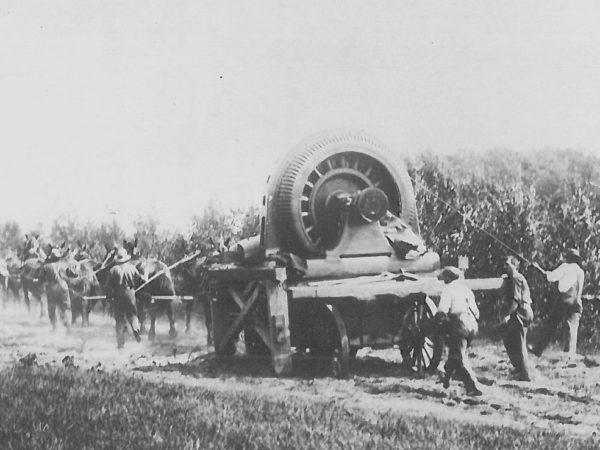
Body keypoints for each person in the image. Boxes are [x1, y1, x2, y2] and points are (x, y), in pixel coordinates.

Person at [436, 266, 482, 396]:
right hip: (472, 324)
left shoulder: (448, 289)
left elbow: (442, 310)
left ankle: (472, 387)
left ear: (448, 278)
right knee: (456, 353)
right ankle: (446, 376)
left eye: (444, 277)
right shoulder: (466, 289)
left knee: (460, 358)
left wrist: (438, 324)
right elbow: (477, 312)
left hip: (459, 325)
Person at [530, 248, 585, 357]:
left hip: (564, 300)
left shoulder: (565, 267)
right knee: (572, 328)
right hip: (577, 302)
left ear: (568, 258)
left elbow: (550, 277)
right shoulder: (581, 271)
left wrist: (538, 268)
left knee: (550, 324)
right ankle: (570, 354)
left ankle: (538, 350)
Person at [501, 256, 534, 381]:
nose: (505, 267)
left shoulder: (516, 278)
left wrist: (507, 315)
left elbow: (516, 299)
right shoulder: (511, 278)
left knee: (519, 343)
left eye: (507, 264)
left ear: (515, 266)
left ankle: (525, 374)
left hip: (521, 312)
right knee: (508, 339)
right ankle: (518, 369)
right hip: (519, 312)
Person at [105, 247, 144, 349]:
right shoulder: (132, 268)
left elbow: (108, 287)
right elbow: (140, 280)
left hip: (118, 296)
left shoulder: (112, 270)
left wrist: (109, 298)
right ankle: (136, 329)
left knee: (119, 320)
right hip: (130, 294)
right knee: (133, 315)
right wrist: (144, 279)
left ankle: (120, 344)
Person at [39, 247, 73, 331]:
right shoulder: (64, 265)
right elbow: (72, 274)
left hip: (52, 289)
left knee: (52, 308)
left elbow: (40, 279)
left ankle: (55, 328)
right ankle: (68, 326)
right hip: (63, 287)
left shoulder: (46, 266)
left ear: (51, 257)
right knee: (66, 308)